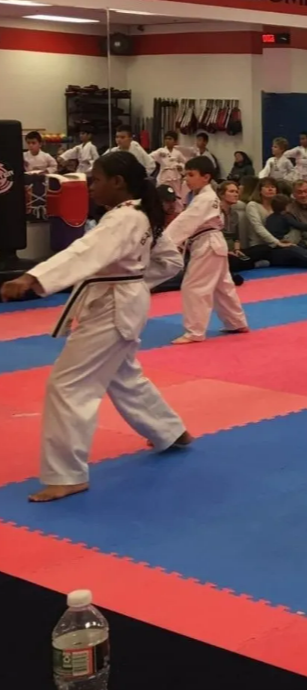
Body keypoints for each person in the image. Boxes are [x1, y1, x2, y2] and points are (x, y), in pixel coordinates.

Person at [0, 151, 192, 502]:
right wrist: (135, 282)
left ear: (118, 182)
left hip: (113, 307)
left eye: (97, 180)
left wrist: (32, 277)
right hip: (123, 302)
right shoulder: (140, 214)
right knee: (123, 375)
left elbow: (83, 252)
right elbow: (170, 261)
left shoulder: (123, 219)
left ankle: (67, 475)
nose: (91, 186)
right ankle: (170, 430)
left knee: (67, 385)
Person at [164, 155, 249, 344]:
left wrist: (163, 243)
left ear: (206, 177)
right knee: (222, 287)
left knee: (193, 286)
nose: (187, 179)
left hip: (208, 244)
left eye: (191, 175)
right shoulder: (203, 197)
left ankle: (195, 331)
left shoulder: (205, 198)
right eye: (186, 175)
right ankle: (236, 322)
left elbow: (184, 222)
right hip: (212, 243)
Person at [242, 180, 307, 270]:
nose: (270, 189)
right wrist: (278, 242)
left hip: (282, 243)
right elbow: (259, 228)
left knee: (300, 254)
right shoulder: (255, 206)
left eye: (273, 187)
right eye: (267, 187)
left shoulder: (273, 214)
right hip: (269, 246)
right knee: (294, 248)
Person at [219, 180, 254, 274]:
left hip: (232, 249)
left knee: (263, 249)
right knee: (235, 262)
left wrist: (237, 250)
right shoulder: (216, 212)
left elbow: (236, 237)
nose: (235, 195)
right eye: (231, 191)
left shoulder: (234, 214)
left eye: (236, 192)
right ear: (222, 194)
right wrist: (227, 251)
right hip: (219, 250)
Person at [151, 131, 188, 200]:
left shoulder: (177, 153)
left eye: (170, 139)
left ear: (175, 141)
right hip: (164, 176)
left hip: (175, 176)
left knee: (176, 194)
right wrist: (159, 156)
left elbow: (185, 163)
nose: (167, 141)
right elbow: (150, 158)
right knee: (161, 193)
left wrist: (180, 166)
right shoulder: (160, 151)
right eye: (166, 139)